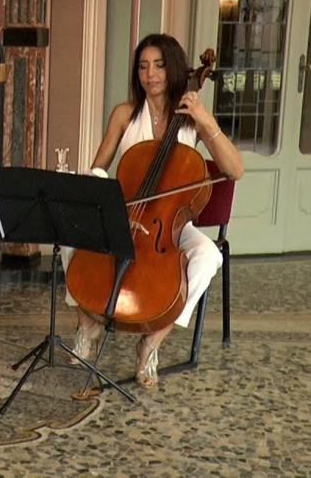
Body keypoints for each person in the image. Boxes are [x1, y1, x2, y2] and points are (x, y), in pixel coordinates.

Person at [68, 33, 244, 388]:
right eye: (143, 66)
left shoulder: (192, 118)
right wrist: (103, 198)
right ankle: (88, 323)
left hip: (170, 222)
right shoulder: (125, 114)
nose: (150, 75)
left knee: (208, 256)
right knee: (72, 234)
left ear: (174, 69)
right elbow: (99, 168)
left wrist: (206, 121)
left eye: (159, 66)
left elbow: (235, 169)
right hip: (127, 211)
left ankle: (152, 341)